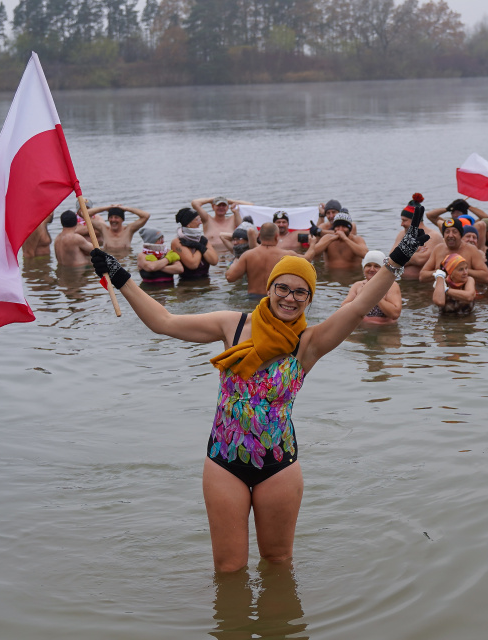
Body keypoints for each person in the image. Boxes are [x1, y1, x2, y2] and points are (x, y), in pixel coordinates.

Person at [88, 198, 430, 573]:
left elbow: (358, 305)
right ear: (270, 288)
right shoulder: (231, 325)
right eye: (283, 288)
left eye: (301, 292)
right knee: (228, 568)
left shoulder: (308, 344)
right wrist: (120, 276)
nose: (290, 298)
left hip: (278, 464)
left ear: (310, 299)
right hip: (224, 461)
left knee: (278, 563)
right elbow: (165, 322)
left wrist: (401, 255)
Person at [226, 222, 296, 298]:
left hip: (252, 299)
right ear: (276, 236)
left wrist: (235, 262)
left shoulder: (248, 255)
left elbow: (230, 277)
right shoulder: (287, 255)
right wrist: (311, 246)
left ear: (259, 236)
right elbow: (307, 259)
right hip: (275, 299)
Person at [418, 217, 488, 284]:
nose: (450, 235)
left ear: (460, 235)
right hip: (442, 292)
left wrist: (459, 269)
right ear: (443, 235)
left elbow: (486, 277)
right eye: (447, 232)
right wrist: (441, 271)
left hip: (464, 293)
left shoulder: (471, 250)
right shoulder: (438, 249)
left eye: (454, 232)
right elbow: (422, 276)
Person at [340, 250, 402, 324]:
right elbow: (343, 309)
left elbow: (395, 314)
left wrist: (375, 296)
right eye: (368, 265)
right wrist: (359, 298)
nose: (372, 269)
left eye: (376, 266)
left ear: (383, 269)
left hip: (386, 330)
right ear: (364, 268)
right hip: (361, 327)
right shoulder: (357, 285)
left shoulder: (391, 285)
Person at [392, 196, 441, 278]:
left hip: (422, 286)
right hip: (404, 282)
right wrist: (414, 252)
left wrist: (402, 253)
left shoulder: (433, 236)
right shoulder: (402, 234)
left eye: (404, 220)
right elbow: (392, 258)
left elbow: (421, 260)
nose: (401, 224)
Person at [303, 212, 368, 269]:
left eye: (344, 227)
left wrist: (345, 239)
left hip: (353, 277)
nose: (340, 229)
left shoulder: (357, 239)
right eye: (338, 226)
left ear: (349, 229)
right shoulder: (327, 238)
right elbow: (312, 253)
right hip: (330, 279)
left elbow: (366, 254)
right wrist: (331, 239)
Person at [172, 208, 220, 281]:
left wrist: (199, 246)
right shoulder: (177, 242)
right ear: (188, 224)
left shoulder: (202, 240)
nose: (200, 222)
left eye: (200, 219)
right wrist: (199, 247)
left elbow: (214, 261)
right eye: (197, 220)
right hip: (187, 285)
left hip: (206, 281)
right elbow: (193, 264)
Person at [86, 204, 151, 252]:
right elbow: (84, 214)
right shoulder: (103, 229)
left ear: (122, 220)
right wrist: (107, 208)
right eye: (111, 217)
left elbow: (146, 215)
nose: (113, 220)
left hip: (125, 262)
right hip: (108, 262)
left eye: (116, 217)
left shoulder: (129, 230)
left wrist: (125, 209)